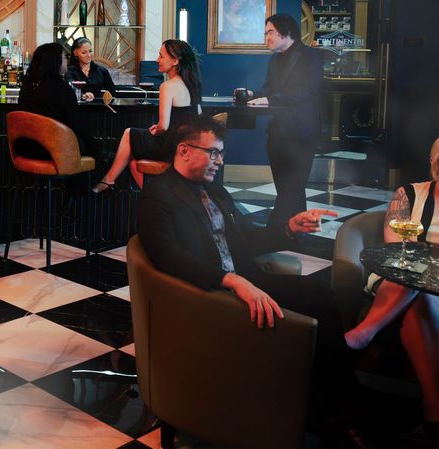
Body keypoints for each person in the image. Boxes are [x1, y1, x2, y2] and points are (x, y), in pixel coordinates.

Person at [137, 115, 362, 442]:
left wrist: (289, 228)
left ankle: (331, 406)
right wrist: (232, 281)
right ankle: (338, 413)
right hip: (211, 299)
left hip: (248, 283)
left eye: (221, 154)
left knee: (319, 295)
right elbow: (168, 257)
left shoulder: (215, 191)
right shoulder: (158, 196)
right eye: (213, 153)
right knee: (319, 311)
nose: (219, 161)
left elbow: (245, 238)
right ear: (184, 151)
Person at [344, 137, 439, 432]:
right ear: (432, 163)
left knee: (420, 294)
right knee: (413, 282)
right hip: (403, 275)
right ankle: (434, 413)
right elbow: (395, 247)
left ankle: (362, 334)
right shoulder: (409, 193)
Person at [242, 13, 324, 230]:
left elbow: (305, 91)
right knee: (285, 187)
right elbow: (270, 88)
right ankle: (291, 230)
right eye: (266, 33)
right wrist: (252, 94)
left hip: (301, 133)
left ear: (286, 32)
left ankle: (280, 229)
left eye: (270, 32)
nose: (266, 37)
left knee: (294, 186)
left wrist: (268, 98)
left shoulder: (311, 57)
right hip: (278, 132)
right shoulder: (275, 59)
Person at [93, 39, 201, 192]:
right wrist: (158, 128)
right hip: (184, 146)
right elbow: (195, 118)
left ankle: (108, 180)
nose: (157, 60)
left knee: (129, 133)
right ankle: (157, 198)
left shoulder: (167, 87)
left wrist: (156, 130)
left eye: (161, 56)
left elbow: (164, 126)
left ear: (175, 61)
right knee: (133, 164)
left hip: (169, 147)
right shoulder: (193, 85)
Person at [17, 42, 94, 160]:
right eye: (64, 57)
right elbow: (77, 124)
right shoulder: (62, 89)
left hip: (26, 150)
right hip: (56, 151)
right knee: (92, 147)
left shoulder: (27, 87)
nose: (67, 60)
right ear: (55, 61)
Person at [65, 37, 116, 101]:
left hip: (99, 109)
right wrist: (82, 96)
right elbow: (69, 90)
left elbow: (112, 92)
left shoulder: (102, 71)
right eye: (84, 52)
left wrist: (98, 97)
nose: (89, 55)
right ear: (75, 53)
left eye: (90, 51)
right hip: (78, 108)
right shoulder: (69, 71)